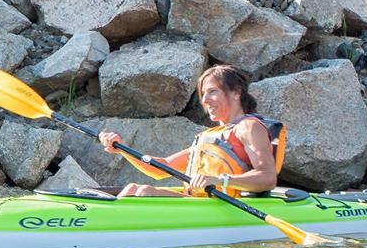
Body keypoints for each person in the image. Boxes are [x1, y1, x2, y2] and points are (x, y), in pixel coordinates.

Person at [98, 66, 283, 198]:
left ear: (236, 92)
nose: (205, 100)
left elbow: (267, 178)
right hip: (197, 200)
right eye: (203, 94)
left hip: (224, 207)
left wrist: (219, 180)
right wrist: (121, 148)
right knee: (133, 188)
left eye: (212, 92)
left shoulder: (249, 127)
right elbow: (161, 169)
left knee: (145, 192)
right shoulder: (211, 136)